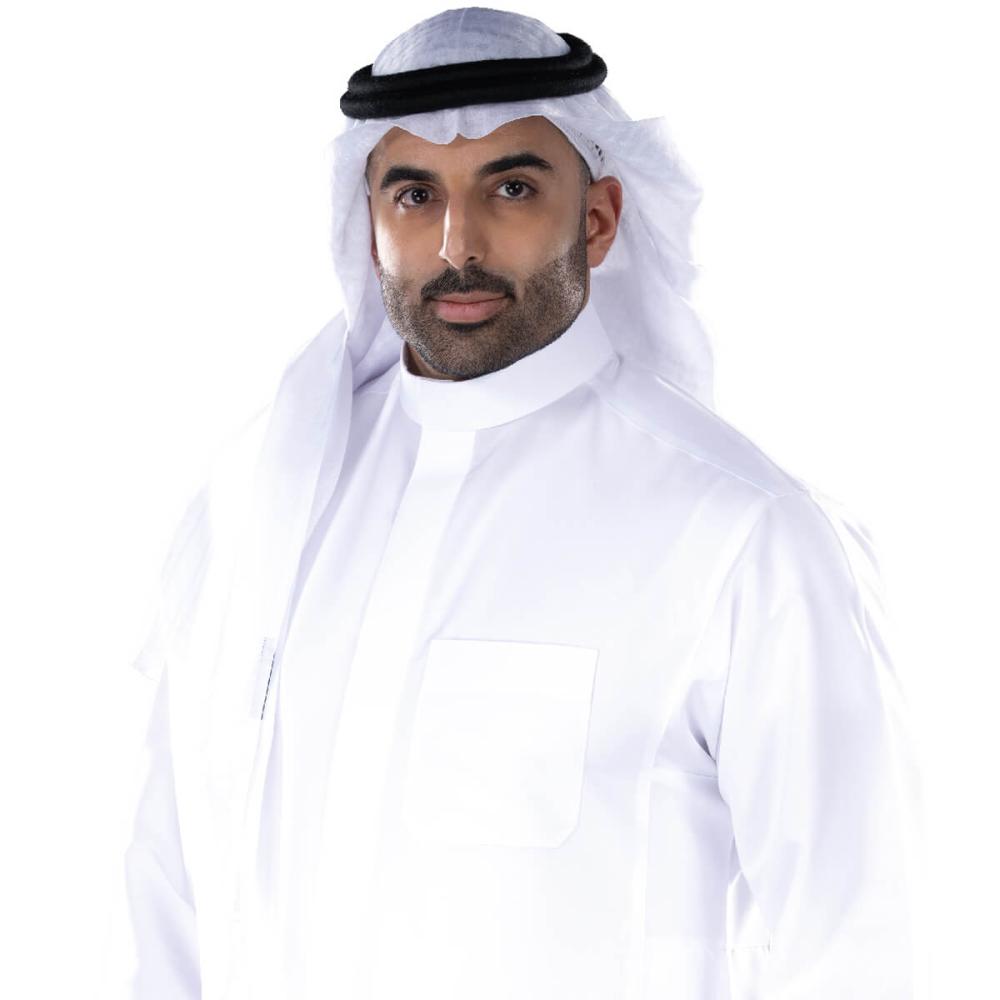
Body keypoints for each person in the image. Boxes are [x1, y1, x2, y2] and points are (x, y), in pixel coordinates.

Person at [105, 7, 926, 999]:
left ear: (599, 218)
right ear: (368, 224)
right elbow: (170, 888)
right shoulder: (256, 510)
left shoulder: (744, 532)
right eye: (415, 195)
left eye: (512, 187)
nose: (459, 244)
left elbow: (857, 936)